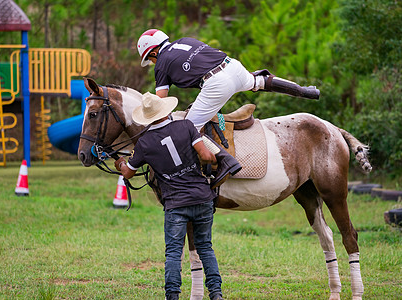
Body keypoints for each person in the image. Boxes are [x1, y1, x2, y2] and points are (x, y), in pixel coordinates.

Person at [136, 28, 319, 185]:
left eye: (150, 60)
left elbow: (160, 103)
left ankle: (225, 162)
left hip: (216, 83)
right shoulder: (186, 41)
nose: (152, 63)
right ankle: (304, 91)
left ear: (153, 52)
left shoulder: (161, 63)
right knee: (258, 81)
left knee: (188, 129)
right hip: (233, 67)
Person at [114, 92, 224, 300]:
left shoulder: (144, 143)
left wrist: (120, 163)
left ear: (147, 117)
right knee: (205, 247)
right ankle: (216, 293)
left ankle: (172, 295)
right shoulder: (186, 126)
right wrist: (209, 158)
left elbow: (128, 173)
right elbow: (206, 156)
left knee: (173, 252)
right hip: (202, 197)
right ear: (165, 111)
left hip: (175, 204)